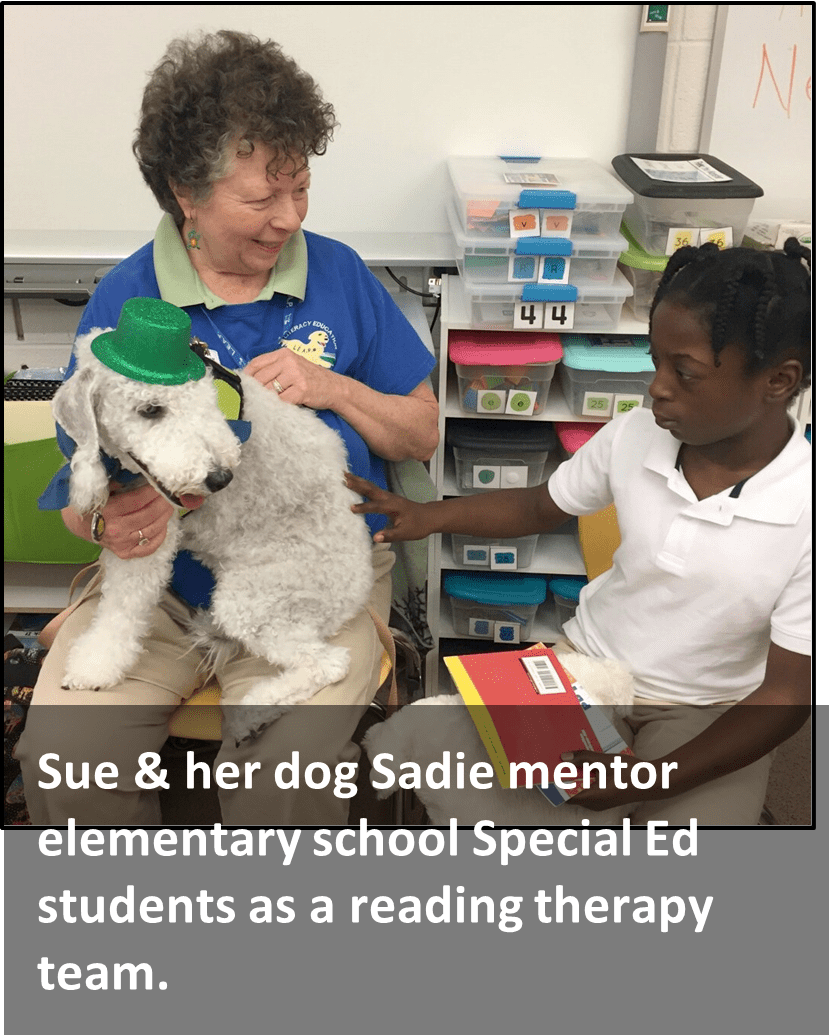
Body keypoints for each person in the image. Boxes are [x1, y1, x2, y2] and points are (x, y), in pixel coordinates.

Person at [17, 30, 439, 825]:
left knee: (282, 788)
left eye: (301, 188)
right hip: (170, 594)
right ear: (186, 193)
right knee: (67, 762)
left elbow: (420, 436)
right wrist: (112, 522)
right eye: (259, 200)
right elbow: (79, 497)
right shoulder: (128, 304)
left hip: (313, 582)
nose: (288, 218)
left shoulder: (340, 275)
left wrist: (332, 386)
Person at [347, 239, 812, 825]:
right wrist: (427, 516)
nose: (656, 388)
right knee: (448, 763)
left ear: (779, 381)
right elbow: (541, 507)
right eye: (656, 361)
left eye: (684, 373)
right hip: (585, 667)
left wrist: (647, 776)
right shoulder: (636, 435)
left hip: (708, 708)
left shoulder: (804, 507)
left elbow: (786, 698)